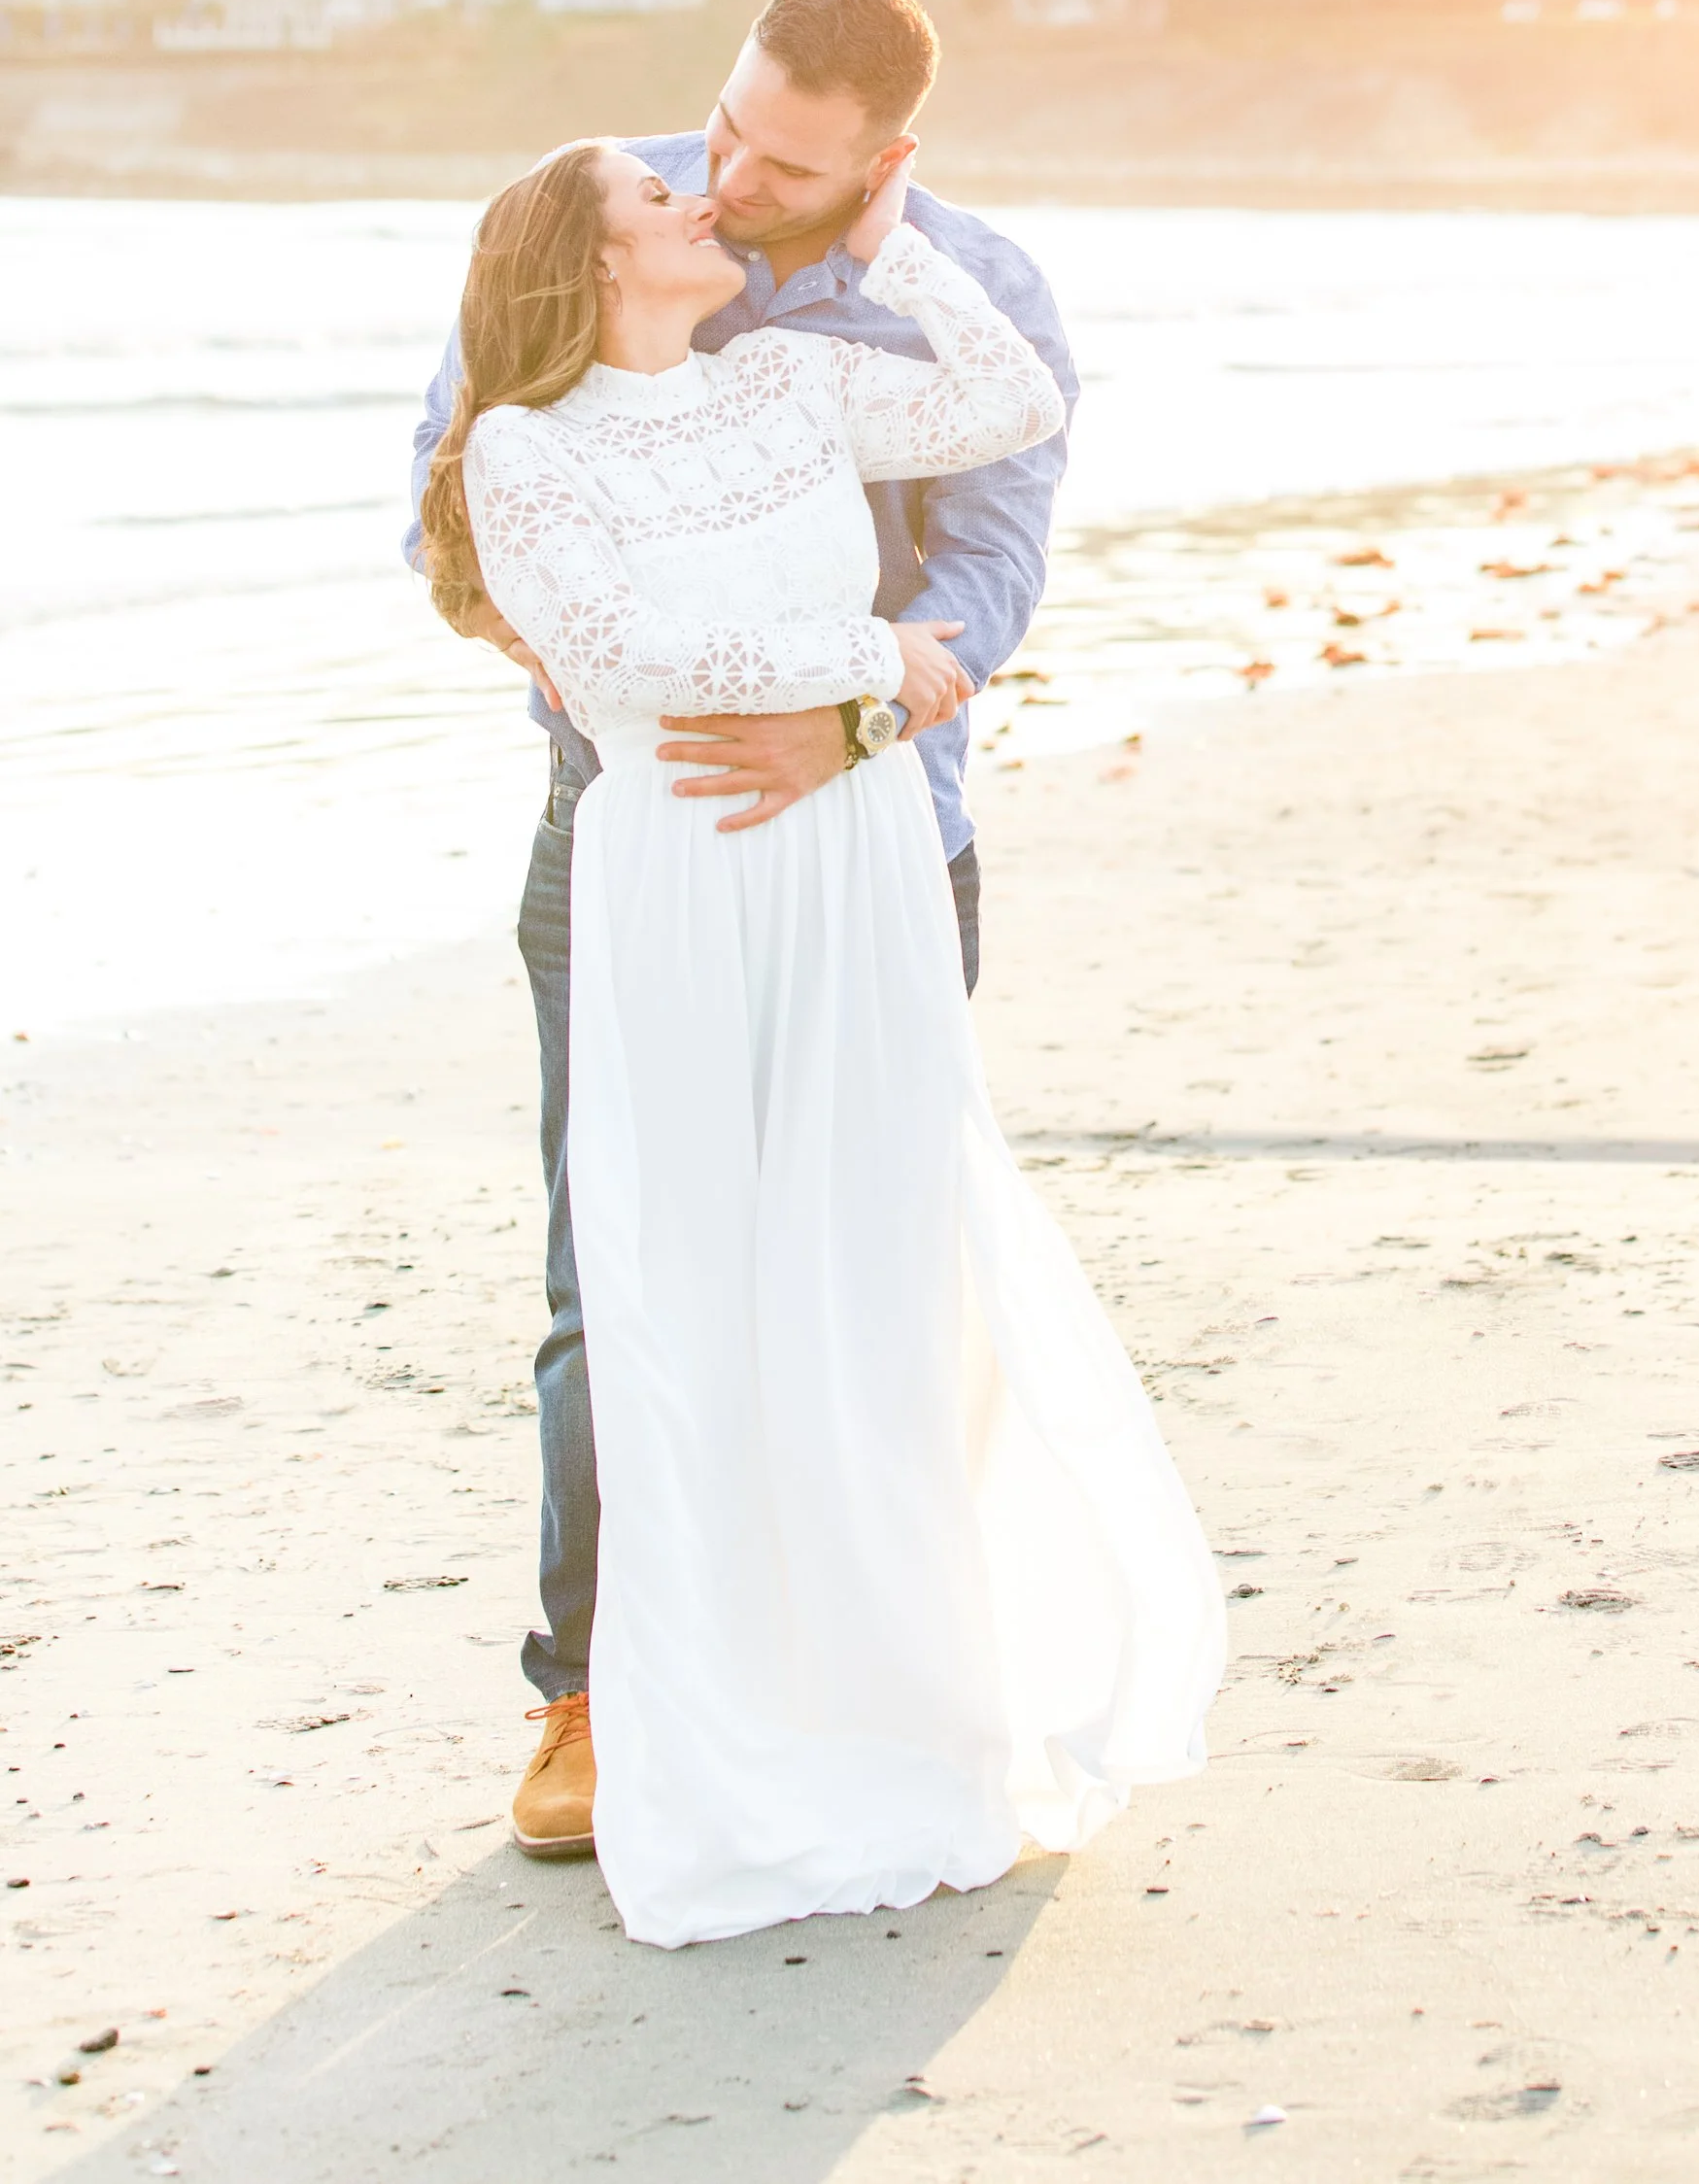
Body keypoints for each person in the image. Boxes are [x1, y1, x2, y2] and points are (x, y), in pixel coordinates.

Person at [414, 129, 1222, 1945]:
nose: (691, 193)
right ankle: (635, 1707)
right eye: (649, 194)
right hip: (680, 882)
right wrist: (873, 662)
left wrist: (899, 240)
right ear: (592, 259)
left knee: (870, 1269)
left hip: (859, 862)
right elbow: (613, 657)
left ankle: (895, 1694)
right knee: (674, 1283)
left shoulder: (783, 377)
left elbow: (1007, 403)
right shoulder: (526, 447)